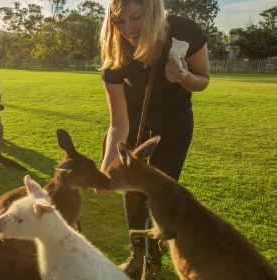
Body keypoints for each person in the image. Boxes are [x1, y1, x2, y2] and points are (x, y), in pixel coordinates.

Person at [98, 0, 210, 279]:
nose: (128, 29)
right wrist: (105, 168)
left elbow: (204, 79)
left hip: (174, 121)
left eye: (136, 18)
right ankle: (137, 253)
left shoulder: (184, 30)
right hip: (136, 123)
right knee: (131, 188)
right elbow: (118, 124)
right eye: (120, 22)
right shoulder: (116, 49)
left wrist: (183, 77)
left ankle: (153, 262)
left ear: (152, 11)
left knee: (159, 193)